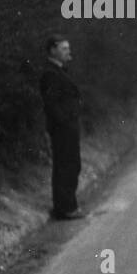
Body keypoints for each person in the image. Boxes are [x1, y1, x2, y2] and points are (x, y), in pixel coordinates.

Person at [39, 35, 84, 220]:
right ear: (53, 50)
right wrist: (65, 122)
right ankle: (65, 208)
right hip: (62, 129)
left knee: (72, 165)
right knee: (66, 166)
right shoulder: (50, 73)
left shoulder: (60, 71)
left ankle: (68, 205)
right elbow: (51, 104)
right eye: (64, 49)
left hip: (69, 128)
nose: (68, 52)